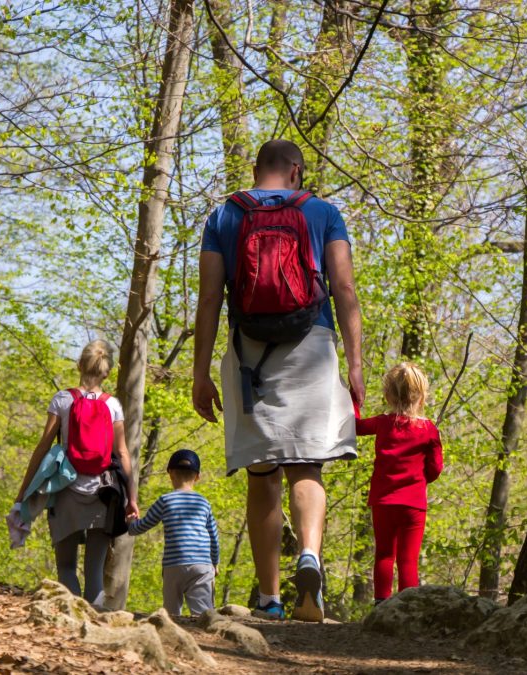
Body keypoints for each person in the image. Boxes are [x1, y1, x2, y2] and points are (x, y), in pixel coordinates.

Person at [192, 139, 364, 621]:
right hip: (311, 344)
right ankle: (309, 556)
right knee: (307, 467)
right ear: (296, 170)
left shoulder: (225, 215)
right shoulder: (323, 212)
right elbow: (344, 287)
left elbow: (209, 298)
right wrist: (355, 365)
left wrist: (201, 373)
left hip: (251, 355)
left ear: (255, 169)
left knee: (262, 475)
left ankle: (269, 599)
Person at [14, 340, 139, 605]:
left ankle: (74, 625)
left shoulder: (62, 400)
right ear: (107, 372)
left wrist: (24, 491)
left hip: (65, 491)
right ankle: (95, 629)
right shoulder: (113, 405)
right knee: (94, 571)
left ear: (79, 365)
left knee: (67, 567)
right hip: (103, 495)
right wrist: (132, 499)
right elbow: (123, 453)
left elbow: (43, 447)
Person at [355, 362, 444, 603]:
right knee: (408, 559)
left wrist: (354, 399)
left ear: (388, 395)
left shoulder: (383, 423)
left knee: (384, 554)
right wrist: (420, 479)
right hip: (413, 505)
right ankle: (407, 606)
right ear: (422, 396)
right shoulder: (428, 430)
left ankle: (381, 602)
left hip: (384, 501)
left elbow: (355, 426)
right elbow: (435, 469)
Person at [127, 449, 220, 616]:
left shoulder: (165, 500)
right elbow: (213, 536)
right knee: (204, 615)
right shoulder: (204, 503)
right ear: (197, 477)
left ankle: (171, 638)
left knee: (171, 615)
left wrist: (131, 522)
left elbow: (141, 527)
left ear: (170, 474)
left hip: (173, 565)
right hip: (202, 565)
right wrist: (215, 562)